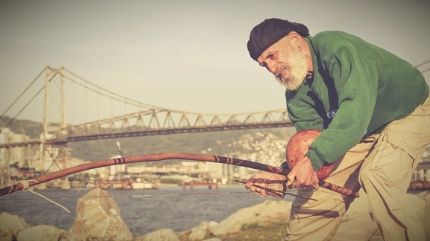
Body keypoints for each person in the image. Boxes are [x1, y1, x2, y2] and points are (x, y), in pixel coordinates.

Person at [244, 18, 430, 241]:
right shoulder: (295, 92)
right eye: (264, 64)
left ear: (294, 40)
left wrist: (314, 160)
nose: (272, 69)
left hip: (408, 111)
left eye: (272, 56)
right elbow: (310, 143)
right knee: (315, 194)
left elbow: (356, 107)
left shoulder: (336, 47)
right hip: (359, 129)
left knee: (377, 176)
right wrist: (285, 174)